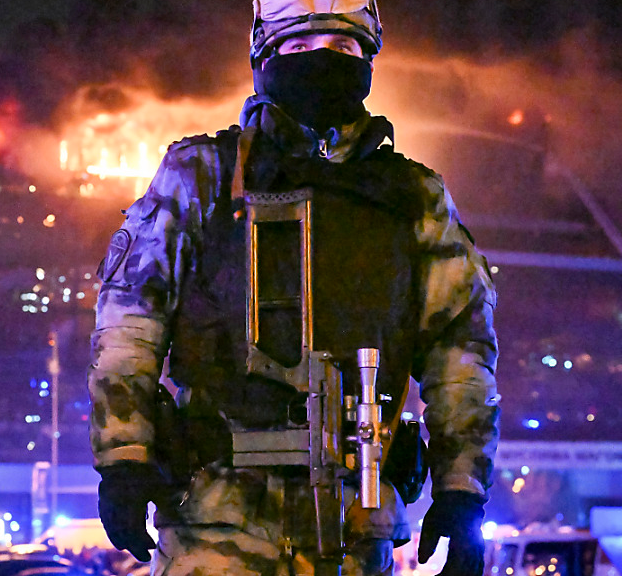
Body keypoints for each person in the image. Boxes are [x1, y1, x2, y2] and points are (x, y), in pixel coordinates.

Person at [86, 1, 501, 575]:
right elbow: (130, 321)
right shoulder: (201, 174)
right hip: (215, 521)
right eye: (300, 49)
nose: (322, 63)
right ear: (264, 58)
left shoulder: (414, 197)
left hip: (357, 522)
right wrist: (124, 458)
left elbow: (461, 348)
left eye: (344, 49)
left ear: (369, 63)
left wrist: (462, 490)